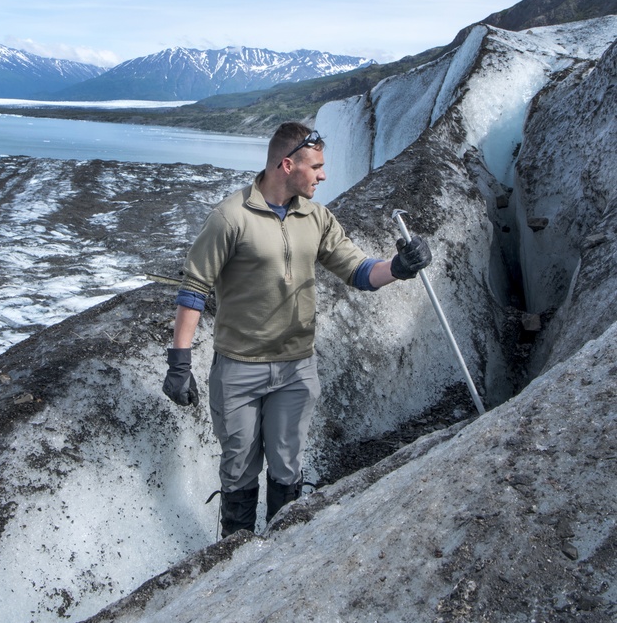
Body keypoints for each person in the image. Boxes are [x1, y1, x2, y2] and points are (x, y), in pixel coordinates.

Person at [162, 121, 431, 537]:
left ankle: (282, 549)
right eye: (316, 166)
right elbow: (194, 289)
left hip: (295, 368)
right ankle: (234, 551)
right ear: (287, 165)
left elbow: (358, 271)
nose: (323, 175)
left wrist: (398, 267)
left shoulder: (317, 217)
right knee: (238, 467)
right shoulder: (230, 217)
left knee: (287, 463)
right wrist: (179, 362)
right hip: (239, 368)